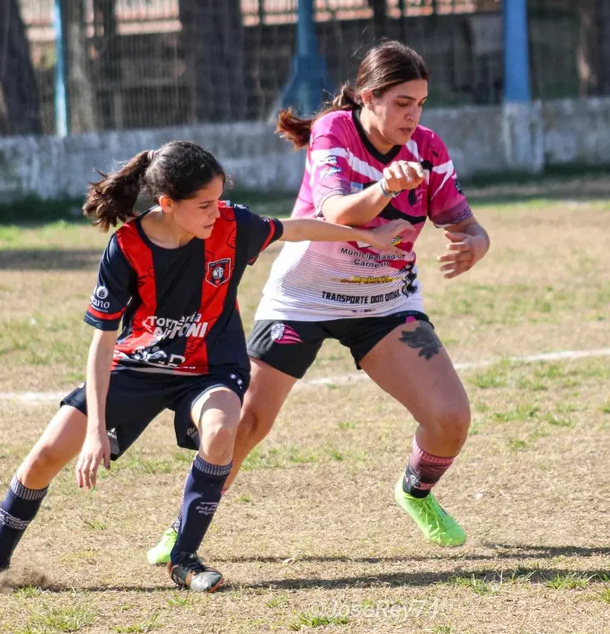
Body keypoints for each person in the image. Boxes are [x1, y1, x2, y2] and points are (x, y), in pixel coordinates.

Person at [0, 140, 411, 596]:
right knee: (46, 456)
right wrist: (96, 428)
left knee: (220, 430)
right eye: (205, 204)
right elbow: (102, 343)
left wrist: (365, 236)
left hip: (212, 367)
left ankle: (184, 559)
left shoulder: (233, 226)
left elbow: (294, 229)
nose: (217, 211)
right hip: (137, 366)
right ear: (167, 204)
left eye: (219, 199)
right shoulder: (127, 247)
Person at [146, 40, 491, 565]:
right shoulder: (335, 132)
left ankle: (414, 492)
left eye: (420, 103)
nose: (413, 115)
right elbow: (337, 212)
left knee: (450, 419)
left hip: (384, 303)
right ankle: (183, 528)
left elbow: (464, 221)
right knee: (246, 425)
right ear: (369, 98)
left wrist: (476, 244)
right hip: (302, 299)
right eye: (402, 103)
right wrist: (383, 188)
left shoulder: (428, 148)